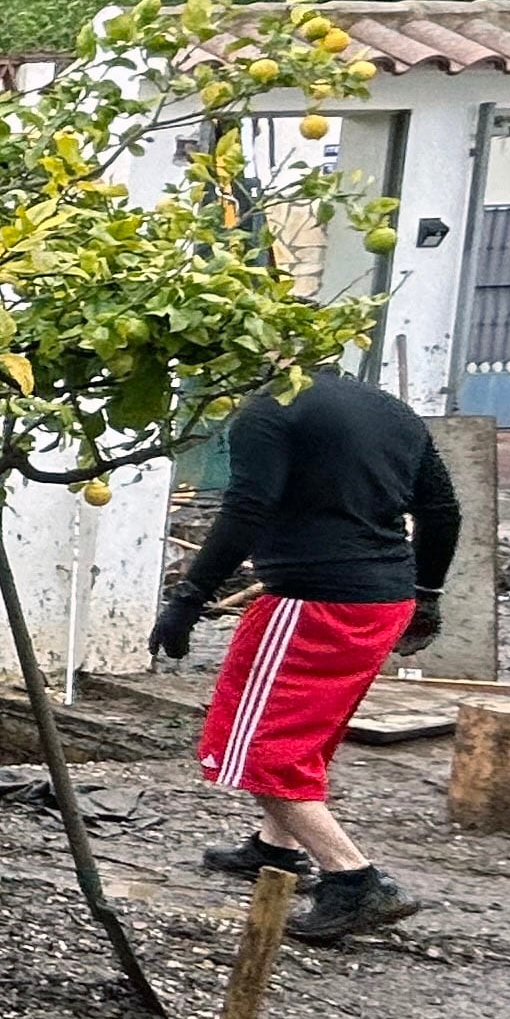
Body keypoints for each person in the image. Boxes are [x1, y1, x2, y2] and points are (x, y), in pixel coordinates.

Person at [153, 363, 460, 944]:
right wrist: (428, 594)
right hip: (383, 599)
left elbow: (247, 510)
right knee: (305, 736)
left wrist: (190, 596)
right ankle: (276, 849)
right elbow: (441, 510)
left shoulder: (269, 409)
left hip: (312, 602)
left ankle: (354, 879)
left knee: (255, 751)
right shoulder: (388, 407)